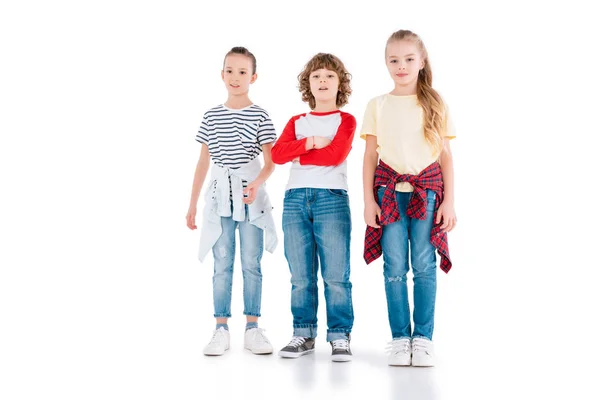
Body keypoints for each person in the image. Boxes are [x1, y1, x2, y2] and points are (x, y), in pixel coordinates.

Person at [361, 30, 457, 367]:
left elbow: (445, 156)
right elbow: (370, 156)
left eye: (408, 59)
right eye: (394, 60)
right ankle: (401, 338)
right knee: (394, 266)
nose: (401, 66)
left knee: (424, 265)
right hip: (388, 193)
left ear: (422, 61)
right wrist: (368, 201)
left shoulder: (434, 102)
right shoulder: (377, 105)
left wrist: (449, 201)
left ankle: (424, 339)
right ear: (386, 63)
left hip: (427, 194)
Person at [186, 46, 278, 356]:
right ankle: (220, 328)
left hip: (250, 199)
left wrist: (255, 184)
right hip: (219, 199)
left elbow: (271, 162)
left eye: (242, 72)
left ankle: (253, 328)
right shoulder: (211, 116)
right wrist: (192, 204)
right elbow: (203, 163)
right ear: (221, 74)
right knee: (221, 263)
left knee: (251, 263)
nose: (235, 77)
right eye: (229, 71)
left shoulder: (260, 115)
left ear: (253, 77)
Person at [271, 53, 356, 362]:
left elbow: (335, 156)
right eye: (316, 76)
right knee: (300, 275)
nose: (322, 80)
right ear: (308, 83)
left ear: (339, 84)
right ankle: (303, 333)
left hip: (331, 197)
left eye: (329, 76)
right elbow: (278, 155)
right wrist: (309, 143)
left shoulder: (345, 120)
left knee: (335, 274)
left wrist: (299, 154)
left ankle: (339, 335)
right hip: (294, 198)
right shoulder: (297, 122)